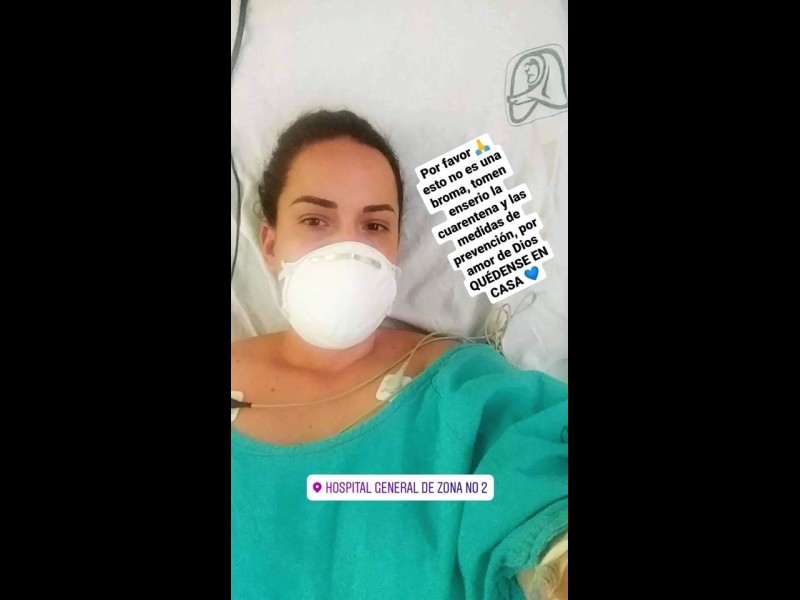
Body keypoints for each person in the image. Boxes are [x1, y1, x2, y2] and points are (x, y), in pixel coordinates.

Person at [231, 109, 568, 599]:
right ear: (269, 242)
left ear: (394, 250)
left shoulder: (458, 387)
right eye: (315, 220)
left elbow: (535, 482)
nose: (347, 250)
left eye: (373, 225)